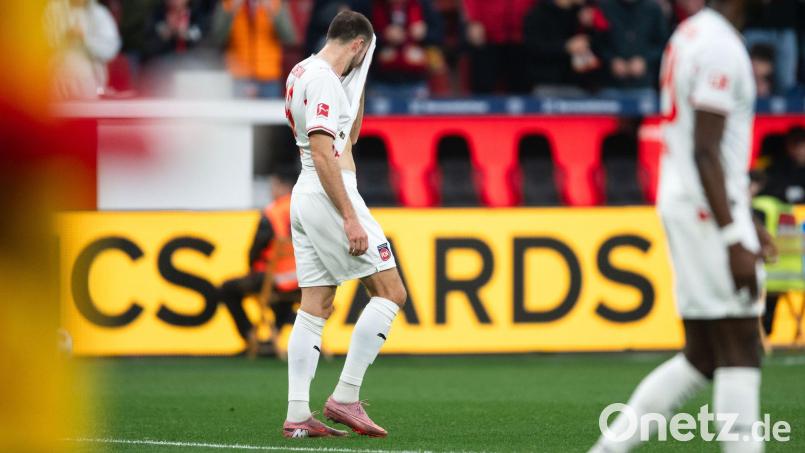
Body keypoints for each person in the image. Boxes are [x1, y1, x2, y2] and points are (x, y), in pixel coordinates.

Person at [590, 0, 775, 451]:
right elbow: (705, 150)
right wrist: (733, 235)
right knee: (742, 346)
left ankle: (608, 449)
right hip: (706, 212)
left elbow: (704, 146)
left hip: (691, 201)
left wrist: (745, 220)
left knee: (703, 355)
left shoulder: (690, 34)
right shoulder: (719, 46)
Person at [282, 11, 407, 438]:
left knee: (315, 304)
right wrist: (350, 216)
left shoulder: (304, 71)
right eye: (364, 55)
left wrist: (359, 80)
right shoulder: (322, 80)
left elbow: (347, 136)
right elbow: (324, 153)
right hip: (329, 192)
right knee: (391, 291)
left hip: (306, 193)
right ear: (358, 45)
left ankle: (298, 414)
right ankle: (346, 396)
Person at [218, 169, 300, 356]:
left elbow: (257, 247)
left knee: (226, 289)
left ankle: (251, 338)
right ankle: (275, 336)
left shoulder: (273, 212)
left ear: (283, 186)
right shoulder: (306, 208)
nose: (271, 191)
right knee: (282, 300)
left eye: (273, 186)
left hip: (274, 278)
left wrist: (252, 268)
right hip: (303, 280)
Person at [210, 0, 289, 98]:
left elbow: (289, 37)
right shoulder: (228, 3)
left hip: (269, 76)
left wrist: (272, 11)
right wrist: (231, 11)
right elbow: (218, 38)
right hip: (238, 76)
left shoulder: (274, 3)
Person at [44, 0, 121, 100]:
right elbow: (43, 42)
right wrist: (65, 38)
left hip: (87, 80)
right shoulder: (54, 11)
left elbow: (110, 48)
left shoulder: (99, 14)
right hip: (56, 78)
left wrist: (85, 38)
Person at [461, 0, 536, 94]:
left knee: (522, 88)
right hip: (487, 35)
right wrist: (473, 19)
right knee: (483, 87)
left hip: (522, 35)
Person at [598, 0, 668, 94]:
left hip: (644, 84)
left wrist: (645, 60)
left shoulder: (653, 8)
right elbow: (597, 42)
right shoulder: (605, 7)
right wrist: (611, 60)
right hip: (610, 84)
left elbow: (663, 44)